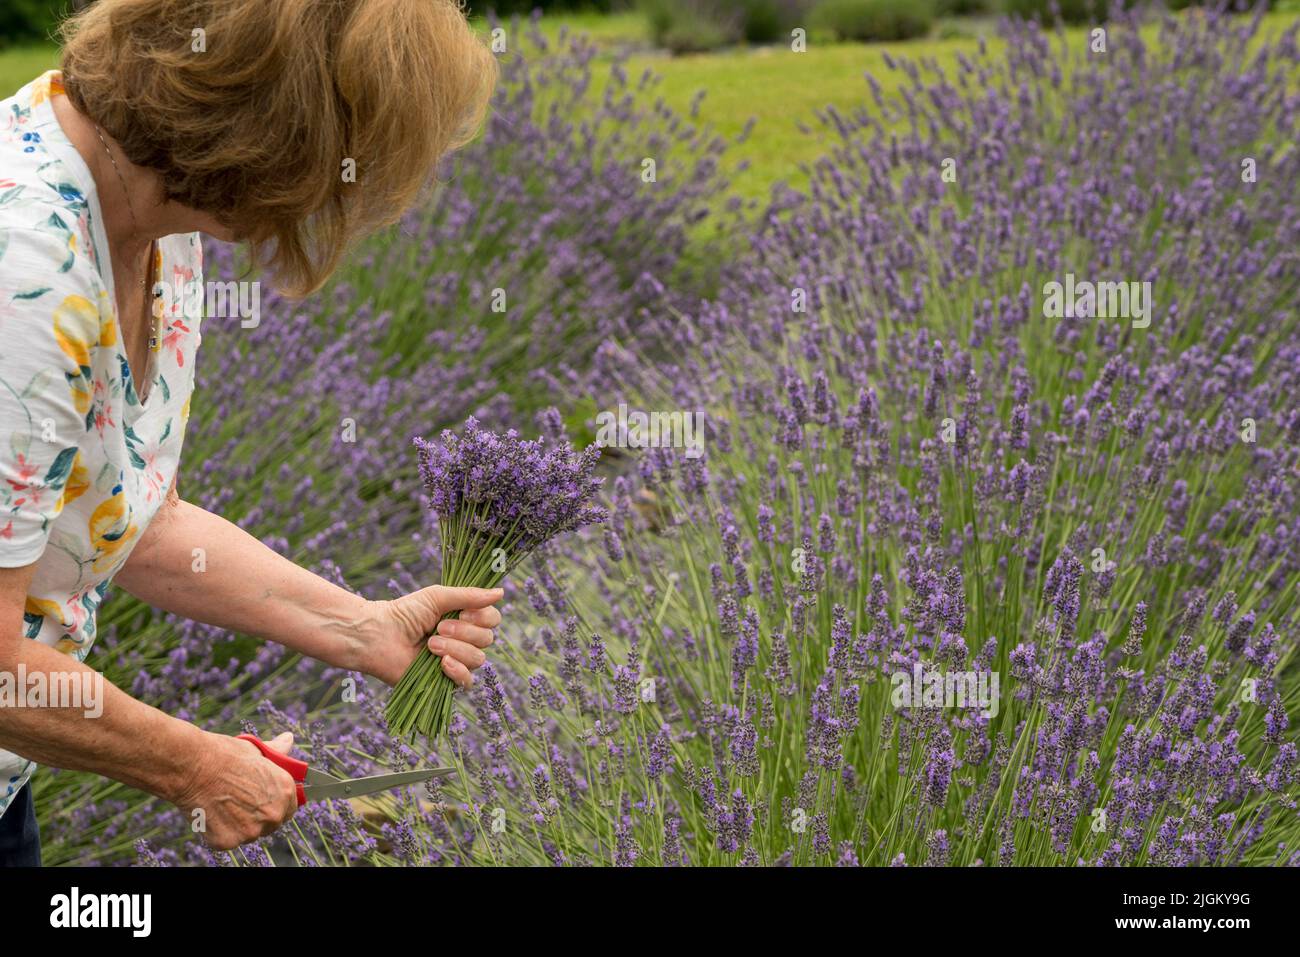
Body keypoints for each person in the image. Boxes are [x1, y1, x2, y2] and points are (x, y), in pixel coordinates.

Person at [0, 0, 500, 865]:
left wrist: (360, 628)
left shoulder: (155, 213)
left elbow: (128, 515)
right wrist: (195, 767)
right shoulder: (28, 273)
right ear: (274, 127)